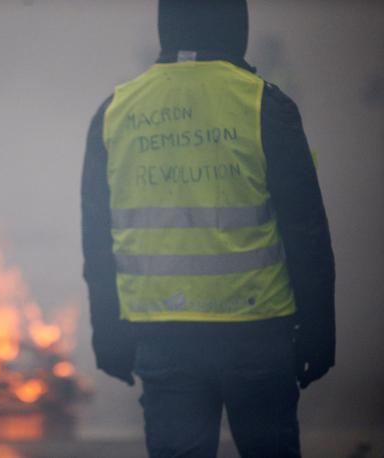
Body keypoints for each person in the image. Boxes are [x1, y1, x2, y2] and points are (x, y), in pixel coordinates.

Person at [81, 1, 335, 456]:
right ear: (236, 22)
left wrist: (109, 334)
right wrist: (319, 329)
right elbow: (306, 232)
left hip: (163, 338)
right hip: (257, 334)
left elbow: (98, 242)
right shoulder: (264, 105)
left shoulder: (114, 113)